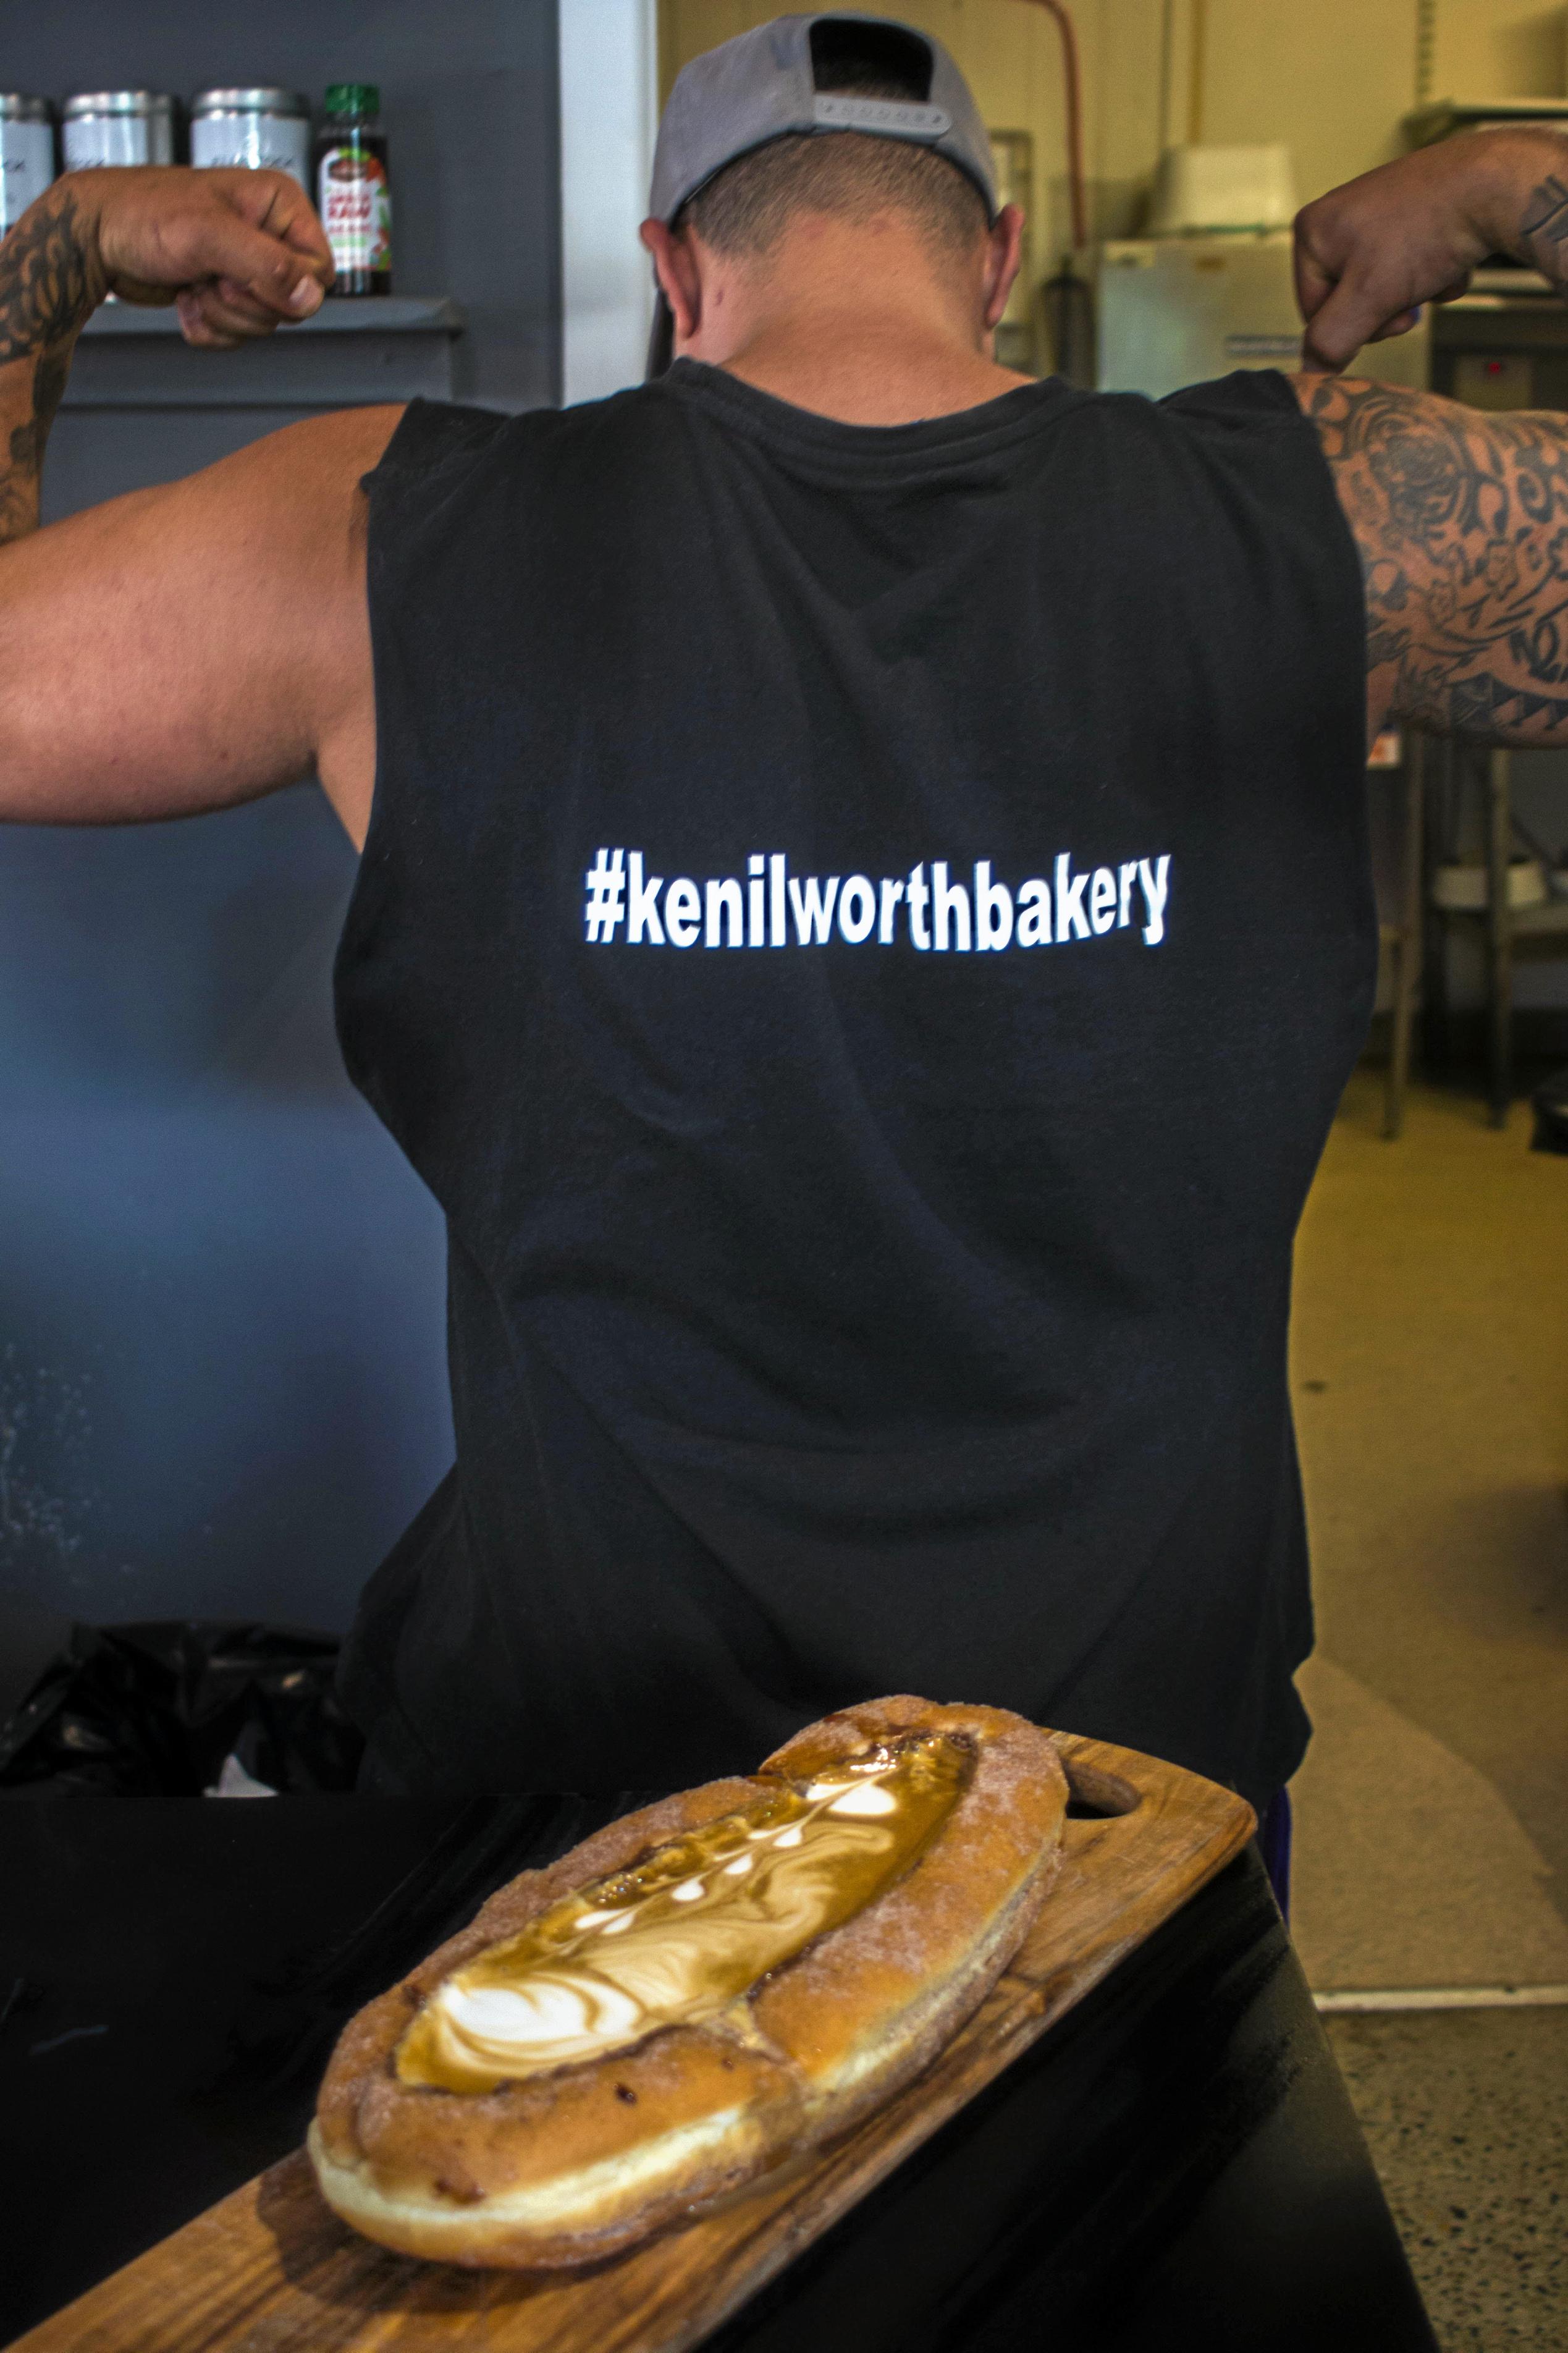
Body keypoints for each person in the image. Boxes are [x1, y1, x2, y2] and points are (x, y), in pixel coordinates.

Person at [1, 17, 1563, 1854]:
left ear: (674, 272)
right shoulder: (1317, 503)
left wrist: (65, 249)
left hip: (592, 1792)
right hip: (1118, 1792)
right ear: (991, 261)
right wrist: (1512, 175)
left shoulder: (380, 536)